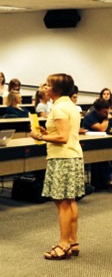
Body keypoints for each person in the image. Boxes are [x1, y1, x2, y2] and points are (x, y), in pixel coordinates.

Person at [31, 74, 84, 260]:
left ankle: (63, 245)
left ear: (56, 89)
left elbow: (62, 138)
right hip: (73, 155)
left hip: (62, 158)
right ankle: (73, 241)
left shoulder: (59, 108)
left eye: (48, 85)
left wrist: (40, 136)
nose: (45, 87)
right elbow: (65, 132)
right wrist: (49, 132)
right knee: (70, 200)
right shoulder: (70, 105)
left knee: (62, 202)